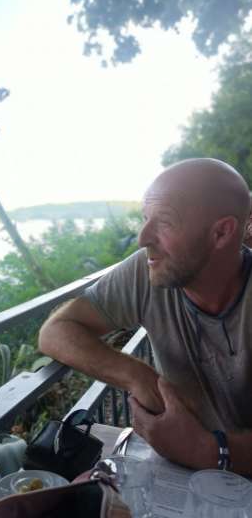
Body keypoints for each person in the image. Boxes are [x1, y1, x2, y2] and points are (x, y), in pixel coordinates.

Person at [38, 158, 252, 475]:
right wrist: (138, 377)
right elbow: (56, 331)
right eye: (145, 218)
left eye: (164, 223)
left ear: (221, 233)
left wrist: (206, 450)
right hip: (184, 475)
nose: (143, 238)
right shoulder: (146, 270)